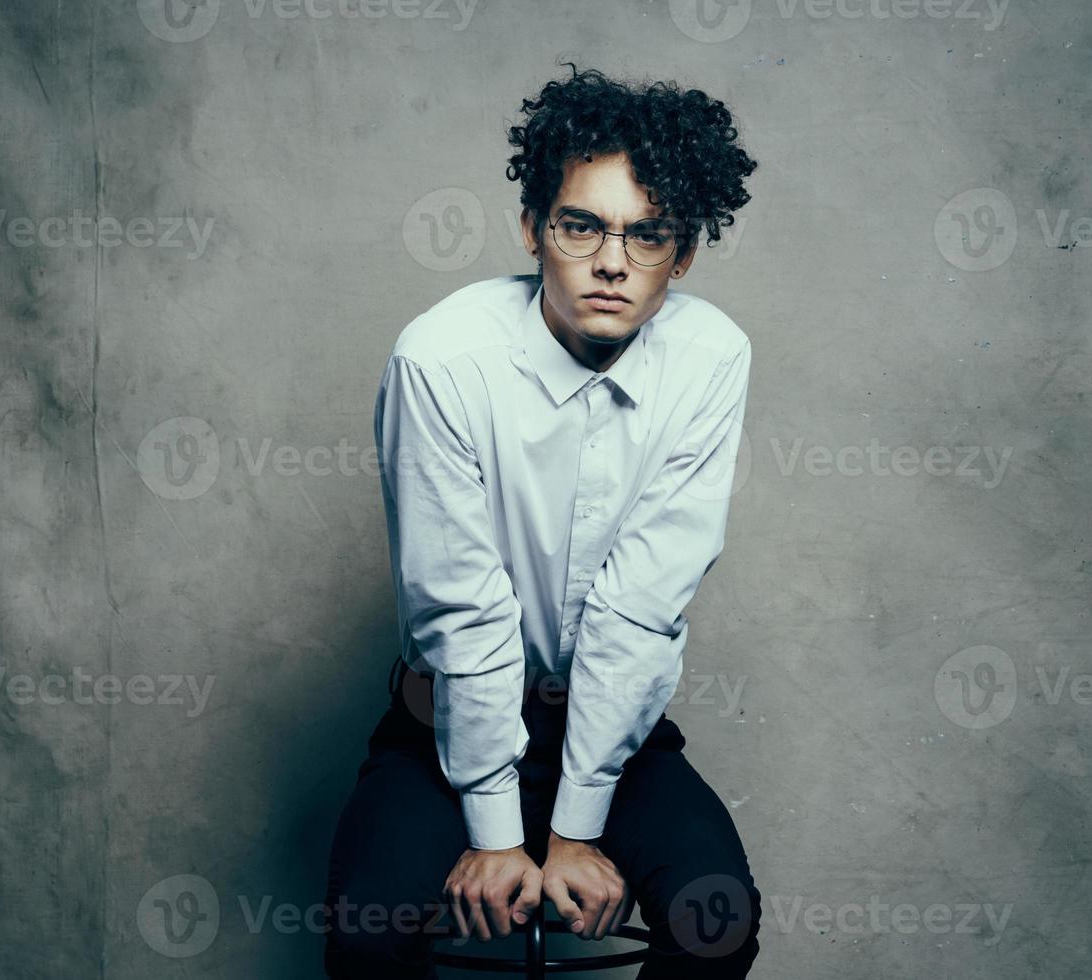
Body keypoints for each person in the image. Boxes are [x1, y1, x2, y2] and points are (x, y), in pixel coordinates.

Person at [322, 63, 762, 978]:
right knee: (368, 929)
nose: (613, 261)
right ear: (532, 229)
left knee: (718, 918)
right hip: (440, 728)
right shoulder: (442, 360)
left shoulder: (711, 357)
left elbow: (641, 604)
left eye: (648, 236)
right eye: (582, 225)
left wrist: (575, 824)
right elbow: (462, 608)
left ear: (683, 256)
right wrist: (492, 822)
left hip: (606, 733)